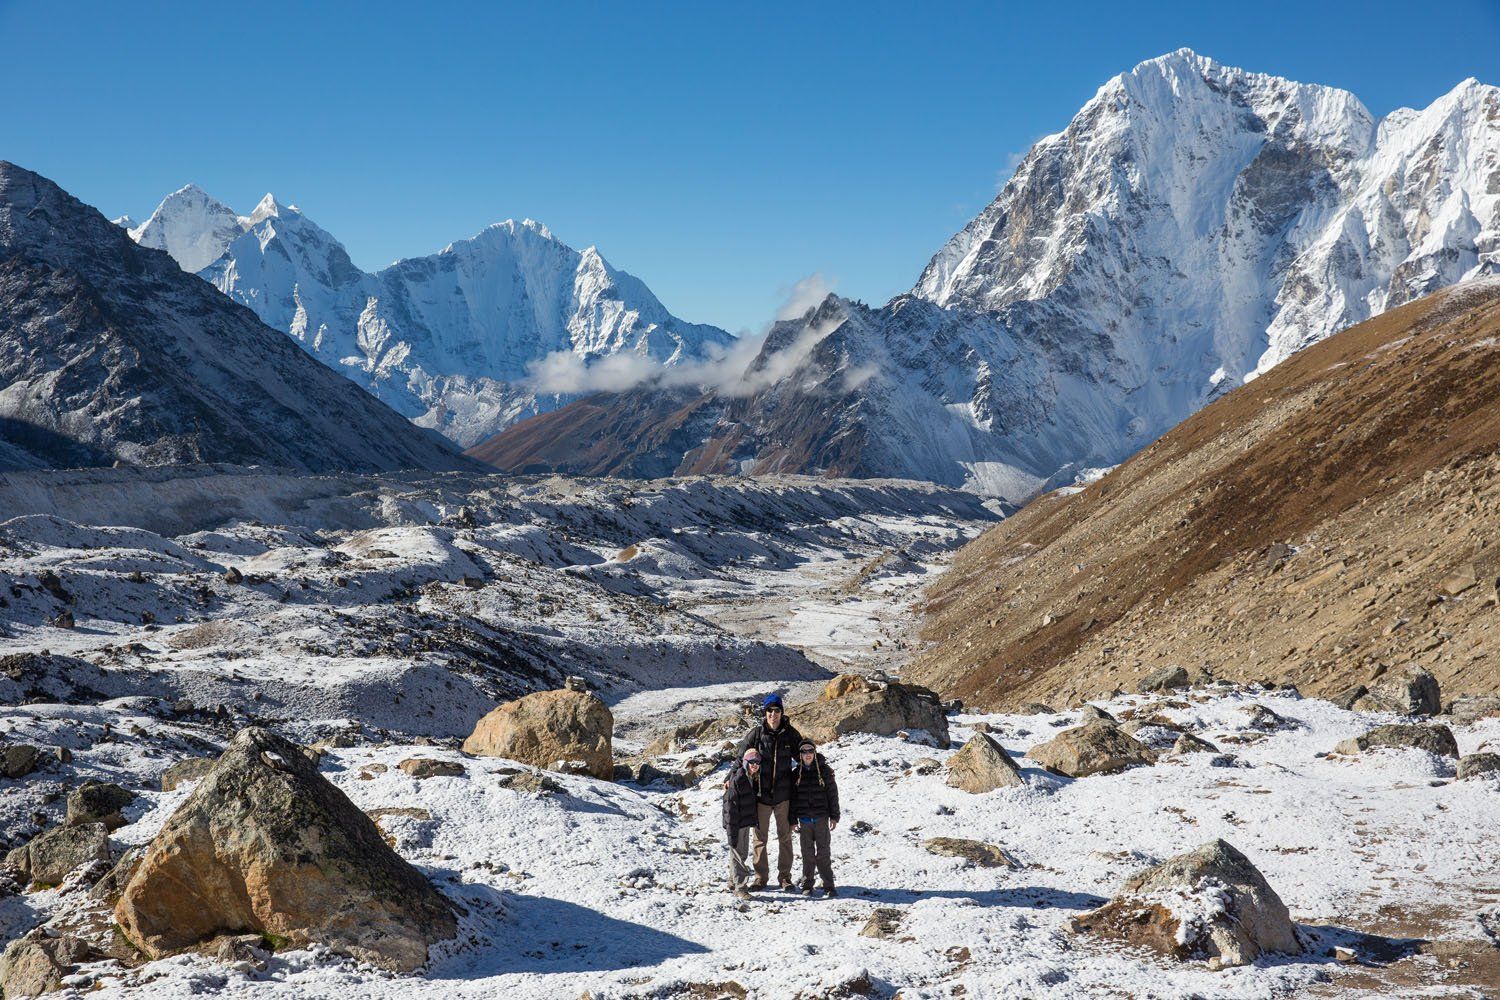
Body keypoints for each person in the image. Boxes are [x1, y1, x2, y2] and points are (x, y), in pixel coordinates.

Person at [735, 693, 802, 890]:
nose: (773, 714)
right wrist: (730, 779)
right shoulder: (756, 734)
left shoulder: (790, 734)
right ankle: (760, 877)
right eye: (769, 711)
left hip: (783, 797)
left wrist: (819, 769)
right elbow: (741, 758)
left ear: (782, 712)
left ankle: (785, 878)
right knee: (759, 839)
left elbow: (804, 755)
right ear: (765, 713)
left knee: (785, 838)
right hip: (761, 796)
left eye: (777, 710)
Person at [791, 739, 840, 897]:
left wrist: (834, 816)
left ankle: (829, 885)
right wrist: (792, 820)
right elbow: (792, 800)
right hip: (804, 820)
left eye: (810, 751)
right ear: (800, 754)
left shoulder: (825, 771)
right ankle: (807, 885)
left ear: (814, 752)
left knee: (824, 853)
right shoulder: (795, 774)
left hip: (821, 818)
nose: (808, 754)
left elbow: (832, 794)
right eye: (804, 751)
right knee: (807, 854)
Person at [721, 749, 763, 899]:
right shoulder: (738, 779)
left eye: (757, 762)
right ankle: (741, 888)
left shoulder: (751, 777)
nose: (754, 765)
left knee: (741, 853)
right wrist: (731, 829)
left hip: (744, 822)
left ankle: (732, 881)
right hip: (736, 823)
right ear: (745, 762)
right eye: (751, 762)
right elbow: (730, 807)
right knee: (738, 854)